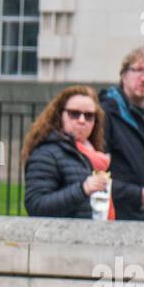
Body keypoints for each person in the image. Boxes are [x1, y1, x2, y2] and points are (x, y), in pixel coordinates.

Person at [99, 47, 144, 222]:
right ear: (124, 75)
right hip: (116, 221)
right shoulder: (105, 114)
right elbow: (93, 177)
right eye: (138, 70)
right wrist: (140, 195)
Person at [23, 85, 113, 219]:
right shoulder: (46, 154)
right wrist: (82, 189)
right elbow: (36, 206)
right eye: (74, 114)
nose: (82, 120)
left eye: (89, 116)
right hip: (60, 238)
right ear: (60, 116)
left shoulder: (96, 155)